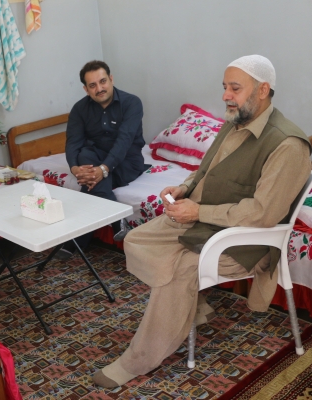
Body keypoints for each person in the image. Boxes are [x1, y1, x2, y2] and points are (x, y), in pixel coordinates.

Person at [92, 55, 312, 388]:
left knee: (178, 267)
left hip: (246, 239)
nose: (226, 95)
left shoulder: (288, 144)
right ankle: (192, 305)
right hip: (206, 219)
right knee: (136, 239)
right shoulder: (234, 121)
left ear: (263, 90)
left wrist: (197, 213)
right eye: (225, 87)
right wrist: (184, 189)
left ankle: (138, 359)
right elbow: (205, 171)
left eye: (235, 88)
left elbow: (263, 213)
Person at [57, 60, 147, 259]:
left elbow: (124, 141)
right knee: (83, 155)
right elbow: (73, 142)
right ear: (86, 89)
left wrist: (104, 169)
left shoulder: (132, 103)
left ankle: (75, 241)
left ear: (111, 79)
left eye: (103, 81)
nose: (99, 88)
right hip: (95, 157)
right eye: (92, 85)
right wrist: (75, 169)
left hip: (127, 162)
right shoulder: (79, 109)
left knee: (90, 180)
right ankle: (117, 218)